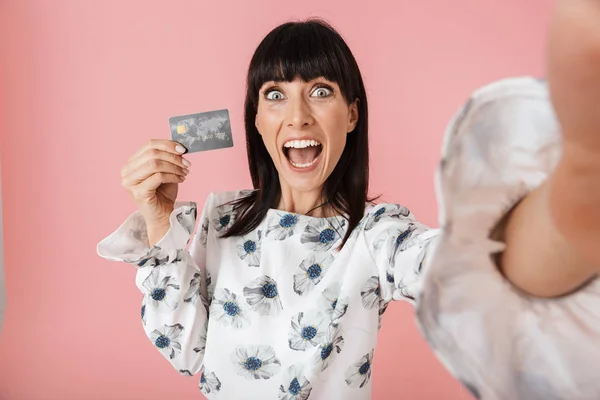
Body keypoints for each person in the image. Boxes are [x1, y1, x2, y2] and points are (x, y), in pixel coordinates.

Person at [97, 1, 600, 398]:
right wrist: (159, 217)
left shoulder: (377, 234)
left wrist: (575, 188)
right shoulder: (222, 218)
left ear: (352, 115)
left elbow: (458, 265)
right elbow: (186, 353)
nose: (297, 117)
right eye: (275, 94)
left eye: (319, 91)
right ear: (255, 118)